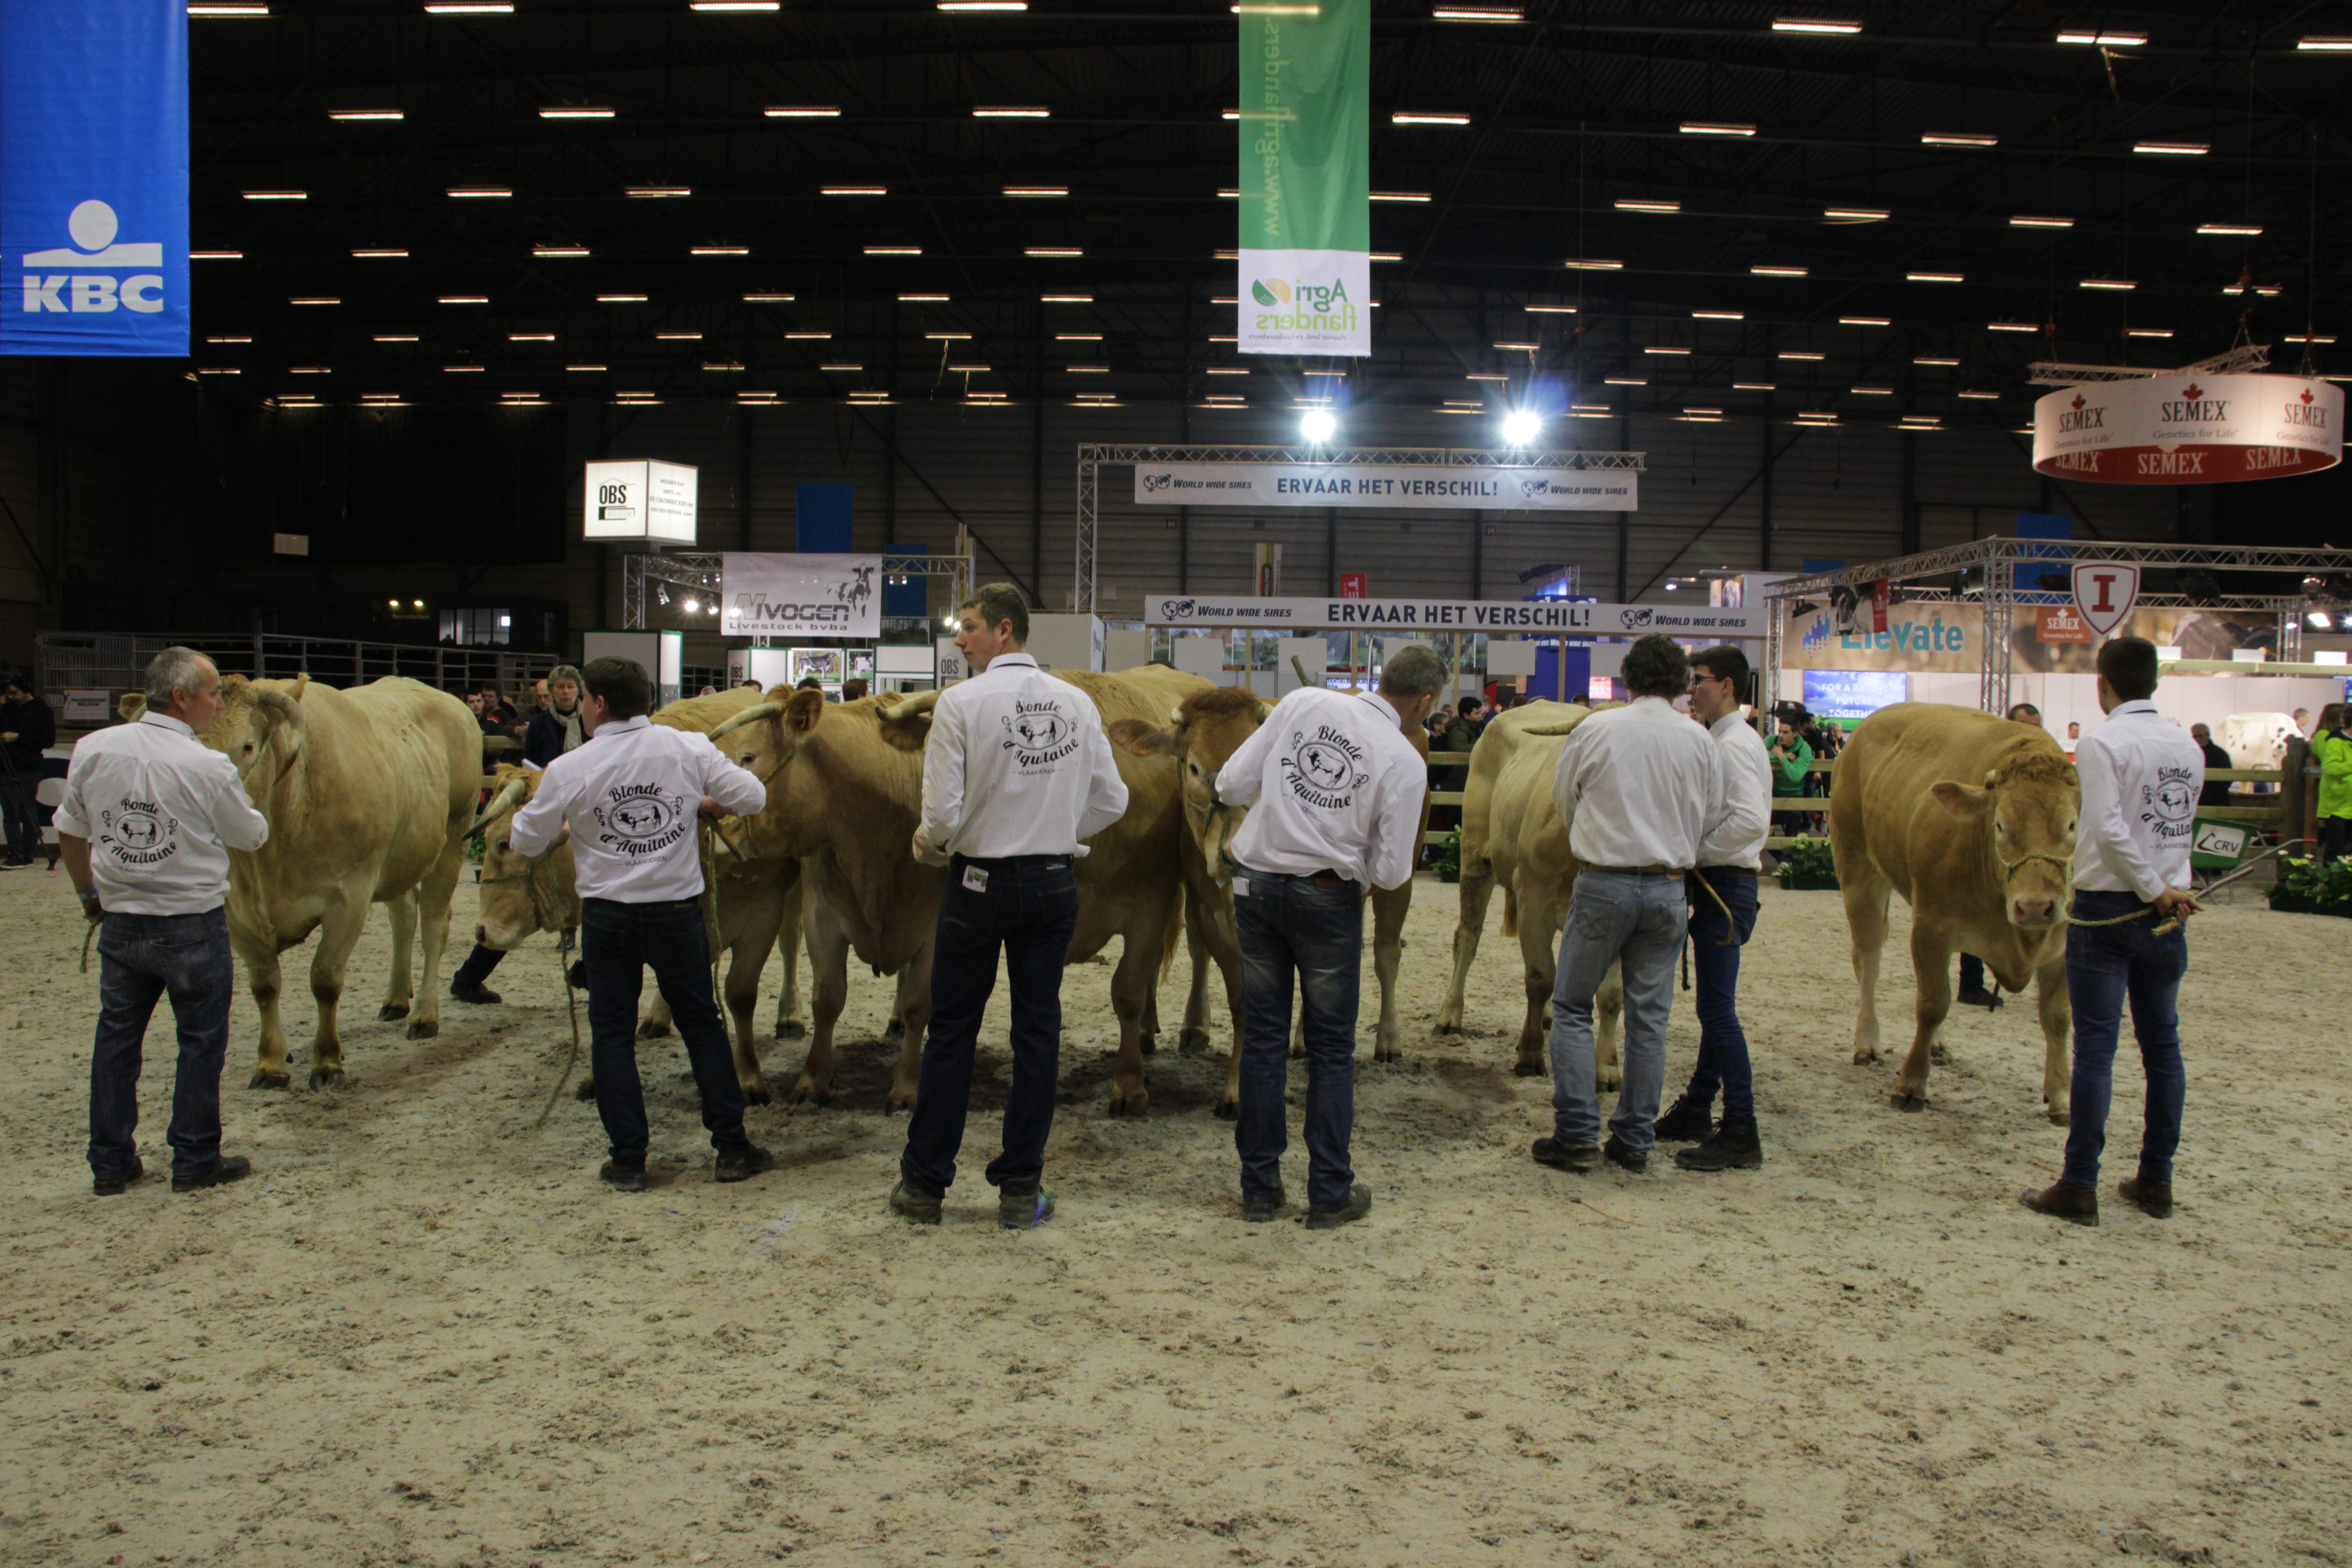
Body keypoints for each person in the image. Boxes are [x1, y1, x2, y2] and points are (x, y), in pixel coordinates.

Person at [892, 584, 1127, 1230]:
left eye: (968, 628)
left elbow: (940, 814)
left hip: (978, 885)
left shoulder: (962, 703)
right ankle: (1021, 1186)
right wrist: (1055, 825)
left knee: (954, 1032)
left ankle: (925, 1185)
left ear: (1004, 630)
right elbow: (1115, 801)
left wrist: (932, 840)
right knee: (1036, 1034)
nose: (960, 640)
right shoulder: (1076, 703)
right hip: (1053, 883)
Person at [507, 657, 774, 1191]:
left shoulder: (571, 767)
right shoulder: (688, 748)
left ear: (598, 704)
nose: (582, 708)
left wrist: (568, 821)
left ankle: (629, 1158)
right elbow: (754, 797)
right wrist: (698, 803)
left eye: (583, 700)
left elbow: (525, 841)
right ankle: (731, 1148)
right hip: (676, 911)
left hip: (608, 916)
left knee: (611, 1034)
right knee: (701, 1024)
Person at [1210, 644, 1440, 1229]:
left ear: (1381, 679)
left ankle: (1259, 1189)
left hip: (1257, 888)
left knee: (1263, 1039)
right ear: (1426, 701)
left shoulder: (1303, 702)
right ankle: (1329, 1192)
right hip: (1329, 899)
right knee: (1332, 1049)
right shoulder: (1405, 760)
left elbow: (1233, 785)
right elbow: (1391, 874)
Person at [57, 647, 271, 1196]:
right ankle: (195, 1157)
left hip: (123, 920)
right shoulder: (207, 764)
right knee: (201, 1040)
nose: (218, 705)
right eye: (213, 694)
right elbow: (249, 836)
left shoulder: (94, 747)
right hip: (191, 923)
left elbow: (71, 828)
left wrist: (89, 894)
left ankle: (110, 1163)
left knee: (117, 1040)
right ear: (182, 698)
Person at [2021, 636, 2204, 1226]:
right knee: (2163, 1049)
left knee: (2096, 1049)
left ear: (2104, 683)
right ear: (2155, 680)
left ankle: (2079, 1185)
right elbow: (2175, 828)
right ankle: (2156, 1178)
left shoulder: (2102, 741)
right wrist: (2168, 889)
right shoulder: (2186, 745)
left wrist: (2153, 889)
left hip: (2110, 910)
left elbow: (2108, 829)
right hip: (2167, 913)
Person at [1533, 634, 1726, 1176]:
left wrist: (1596, 842)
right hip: (1668, 889)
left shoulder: (1597, 728)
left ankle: (1574, 1134)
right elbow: (1712, 815)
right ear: (1682, 684)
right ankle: (1634, 1137)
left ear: (1629, 678)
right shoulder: (1699, 740)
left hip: (1603, 882)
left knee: (1571, 1006)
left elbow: (1564, 798)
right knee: (1649, 1020)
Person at [1655, 646, 1771, 1171]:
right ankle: (1699, 1107)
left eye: (1699, 680)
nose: (1692, 689)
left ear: (1726, 685)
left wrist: (1693, 853)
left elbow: (1749, 822)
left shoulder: (1734, 745)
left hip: (1726, 883)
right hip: (1721, 882)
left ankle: (1742, 1128)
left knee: (1718, 1011)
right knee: (1713, 1007)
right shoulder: (1724, 739)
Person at [448, 665, 588, 1007]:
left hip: (584, 811)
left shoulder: (589, 723)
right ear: (552, 691)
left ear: (579, 691)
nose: (566, 693)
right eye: (560, 688)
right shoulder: (540, 723)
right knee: (517, 901)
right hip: (547, 812)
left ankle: (589, 968)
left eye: (571, 687)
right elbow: (530, 766)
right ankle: (468, 978)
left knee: (593, 896)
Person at [0, 673, 56, 867]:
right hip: (6, 766)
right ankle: (15, 852)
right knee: (10, 811)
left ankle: (28, 852)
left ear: (25, 690)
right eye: (8, 693)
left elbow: (48, 741)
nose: (10, 697)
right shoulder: (7, 710)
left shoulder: (42, 710)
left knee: (27, 809)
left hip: (29, 767)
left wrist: (19, 737)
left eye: (14, 693)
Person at [2314, 703, 2352, 865]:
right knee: (2336, 847)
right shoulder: (2335, 742)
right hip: (2337, 806)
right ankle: (2331, 885)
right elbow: (2330, 768)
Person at [1766, 715, 1812, 838]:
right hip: (1772, 792)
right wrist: (1786, 757)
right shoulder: (1772, 740)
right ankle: (1781, 858)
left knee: (1792, 837)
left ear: (1795, 733)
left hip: (1794, 793)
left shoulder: (1804, 749)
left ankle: (1787, 858)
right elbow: (1757, 753)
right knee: (1762, 834)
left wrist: (1781, 757)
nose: (1781, 735)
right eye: (1780, 731)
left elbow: (1796, 776)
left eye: (1786, 732)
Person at [2190, 723, 2232, 808]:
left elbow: (2227, 779)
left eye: (2201, 736)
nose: (2198, 739)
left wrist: (2211, 797)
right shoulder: (2190, 753)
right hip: (2195, 800)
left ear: (2208, 735)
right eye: (2195, 736)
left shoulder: (2220, 754)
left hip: (2216, 802)